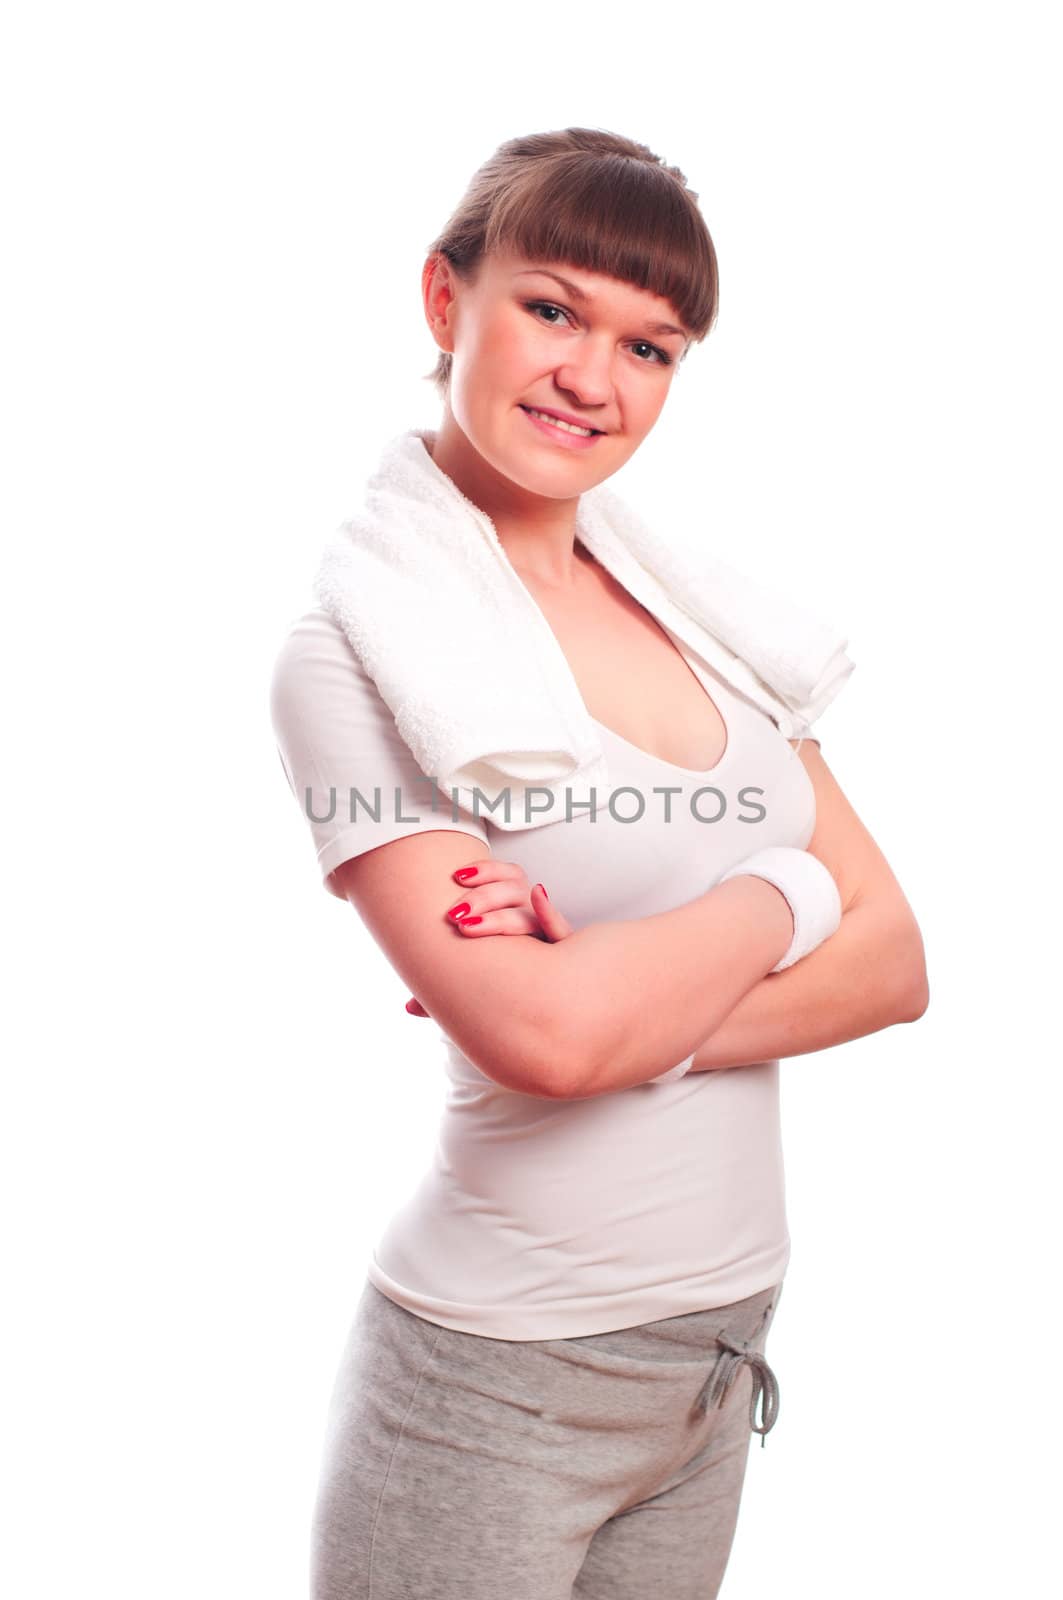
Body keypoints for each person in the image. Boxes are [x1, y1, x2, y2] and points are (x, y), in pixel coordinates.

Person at [270, 126, 929, 1600]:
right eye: (553, 309)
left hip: (713, 1360)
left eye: (651, 346)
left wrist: (627, 1009)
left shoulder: (705, 617)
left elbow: (898, 966)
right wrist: (791, 898)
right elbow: (549, 1039)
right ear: (448, 302)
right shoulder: (359, 657)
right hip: (492, 1389)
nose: (592, 377)